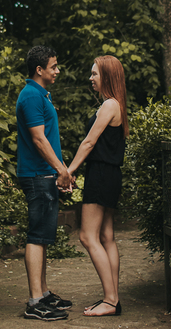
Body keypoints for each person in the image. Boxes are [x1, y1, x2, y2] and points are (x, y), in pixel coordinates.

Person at [66, 55, 129, 317]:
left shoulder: (108, 105)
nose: (90, 78)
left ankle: (110, 300)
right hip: (110, 174)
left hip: (101, 174)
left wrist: (68, 171)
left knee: (87, 236)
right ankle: (113, 299)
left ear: (108, 76)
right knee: (106, 237)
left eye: (95, 73)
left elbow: (89, 143)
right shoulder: (116, 105)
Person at [16, 45, 75, 321]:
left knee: (43, 237)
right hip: (37, 174)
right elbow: (39, 139)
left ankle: (43, 292)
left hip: (45, 174)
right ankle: (35, 302)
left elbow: (46, 138)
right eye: (53, 66)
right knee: (37, 236)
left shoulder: (41, 94)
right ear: (39, 69)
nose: (57, 70)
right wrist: (61, 170)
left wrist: (61, 172)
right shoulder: (30, 95)